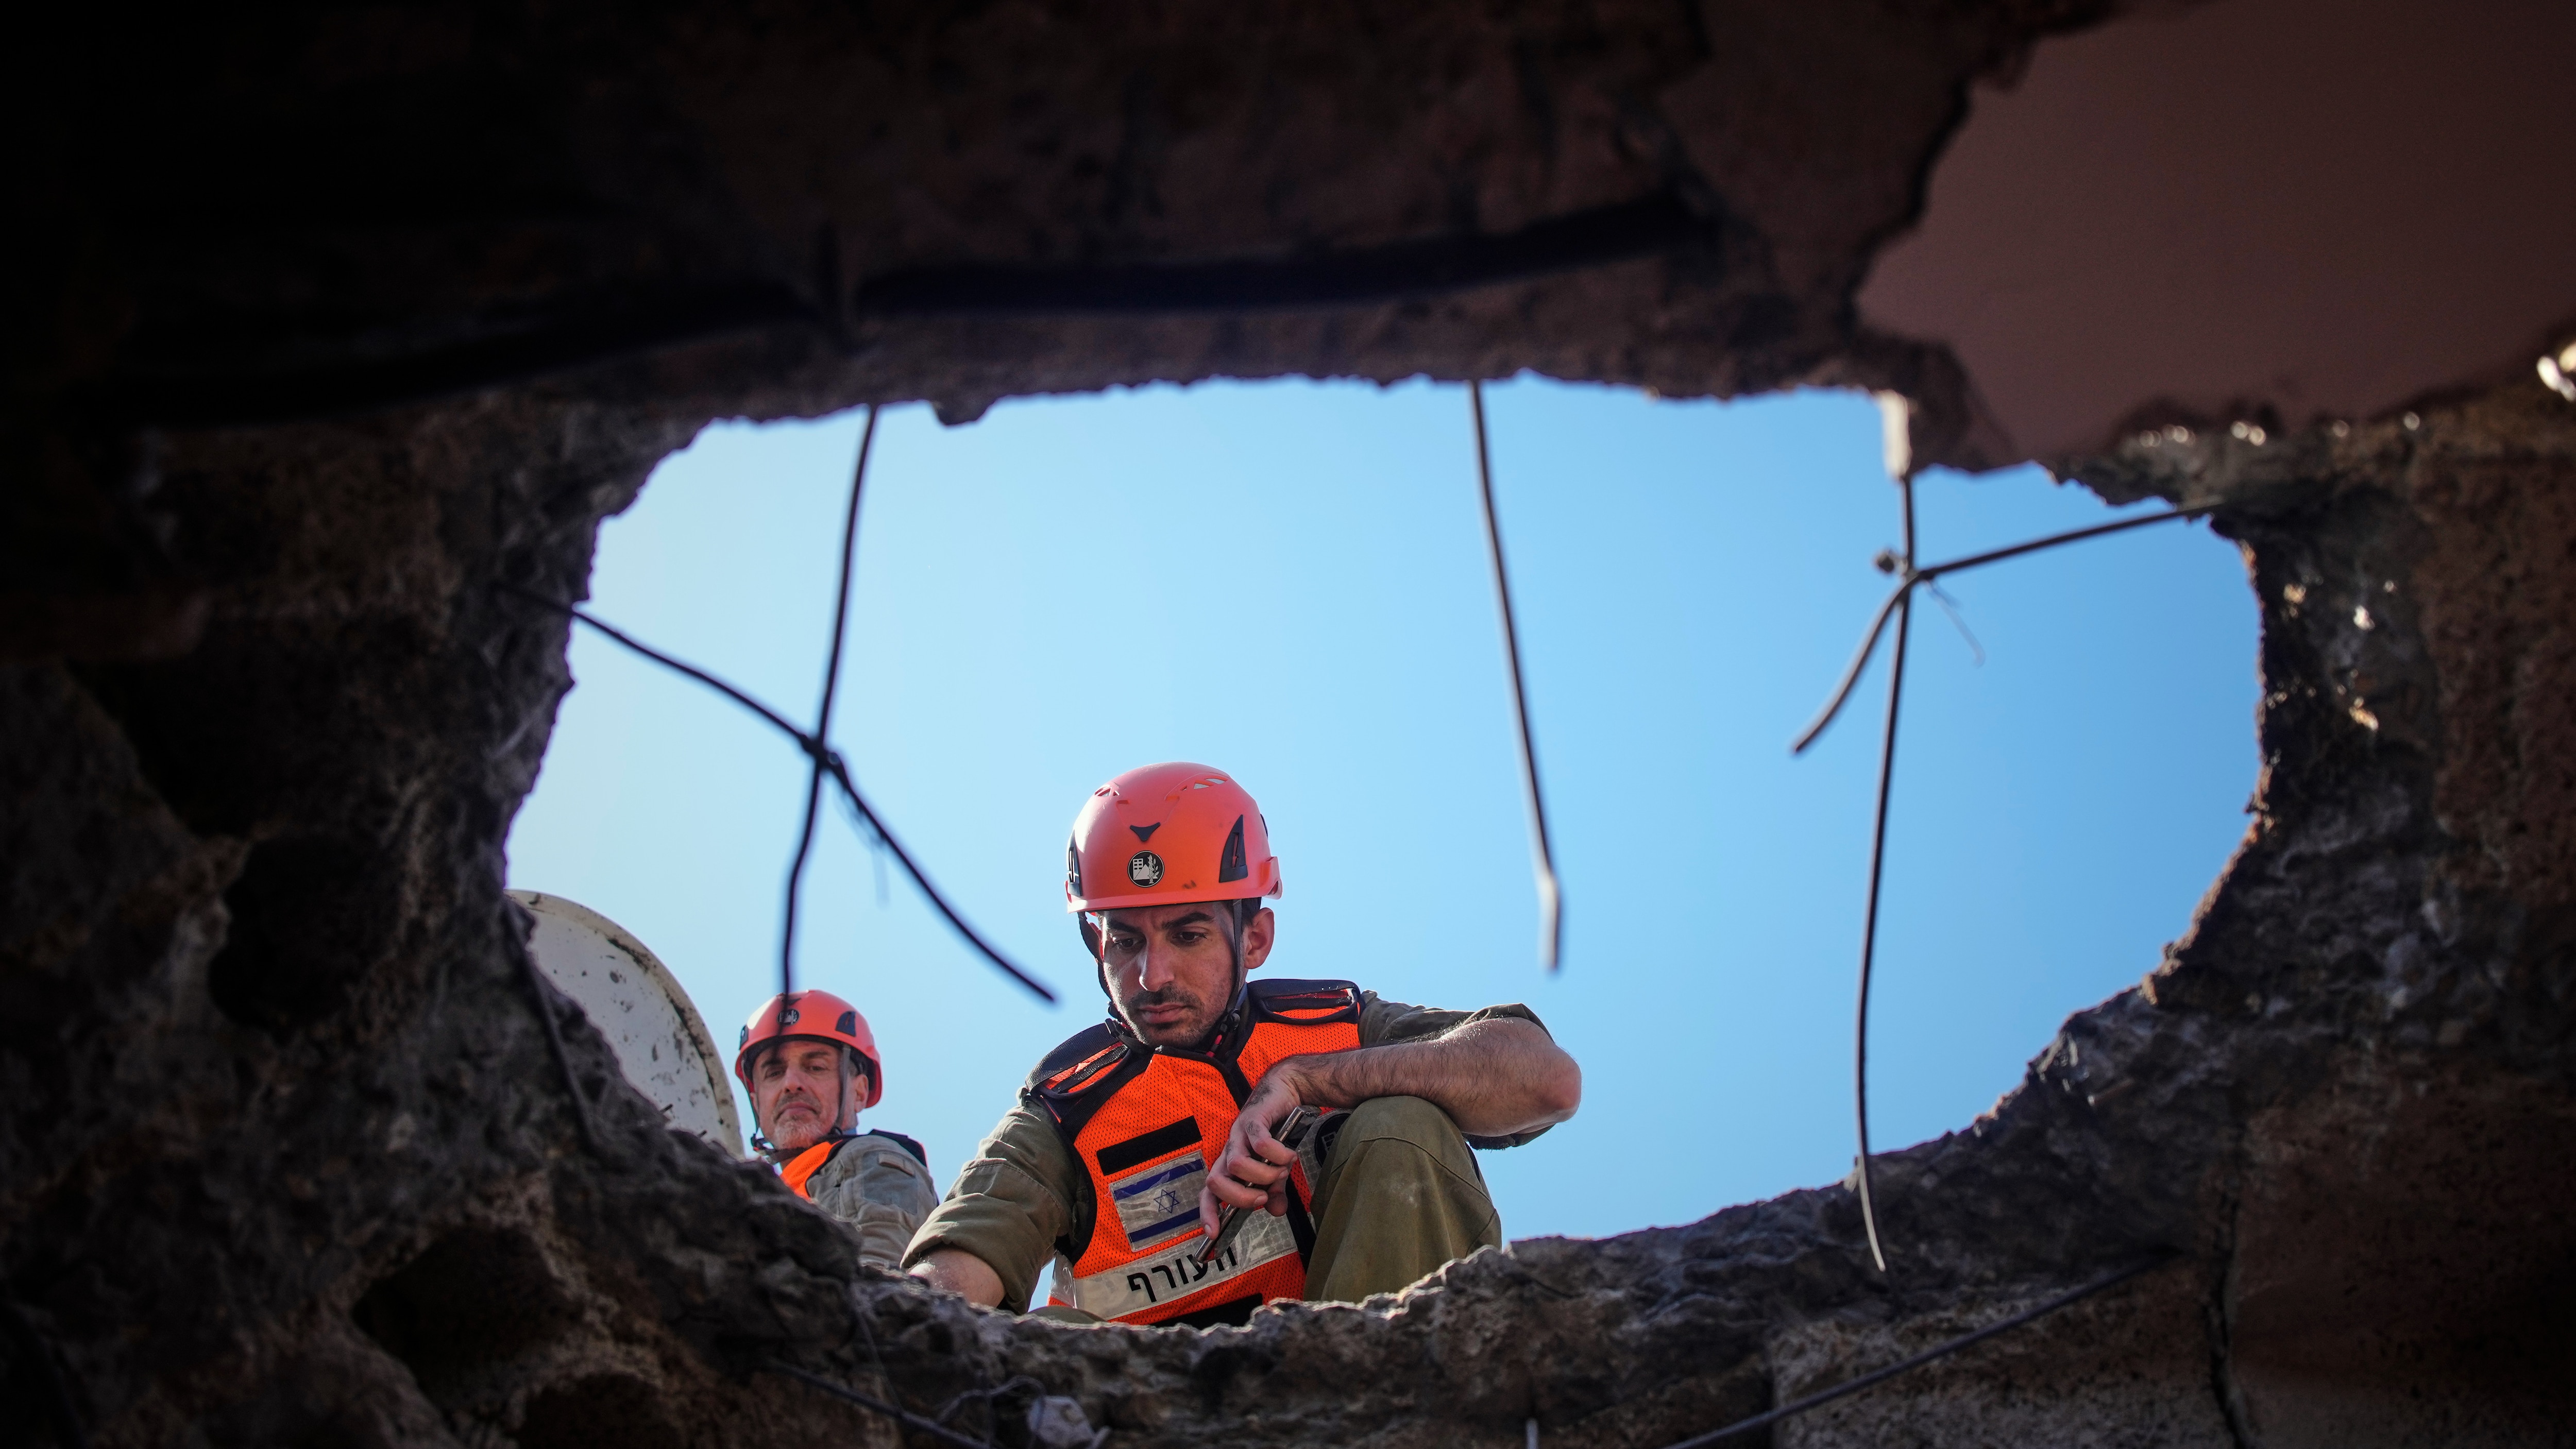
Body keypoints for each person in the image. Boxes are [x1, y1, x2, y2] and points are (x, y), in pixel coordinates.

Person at [905, 762, 1581, 1326]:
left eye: (1188, 935)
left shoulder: (1335, 1026)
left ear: (1254, 937)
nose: (1152, 975)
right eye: (1125, 941)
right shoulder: (1065, 1108)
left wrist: (1308, 1080)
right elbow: (956, 1270)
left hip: (1367, 1400)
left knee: (1401, 1121)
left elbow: (1545, 1080)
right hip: (1158, 1415)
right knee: (1040, 1337)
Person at [737, 990, 938, 1270]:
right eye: (774, 1072)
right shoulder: (763, 1195)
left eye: (816, 1067)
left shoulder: (871, 1159)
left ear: (859, 1092)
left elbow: (882, 1283)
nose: (791, 1083)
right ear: (756, 1102)